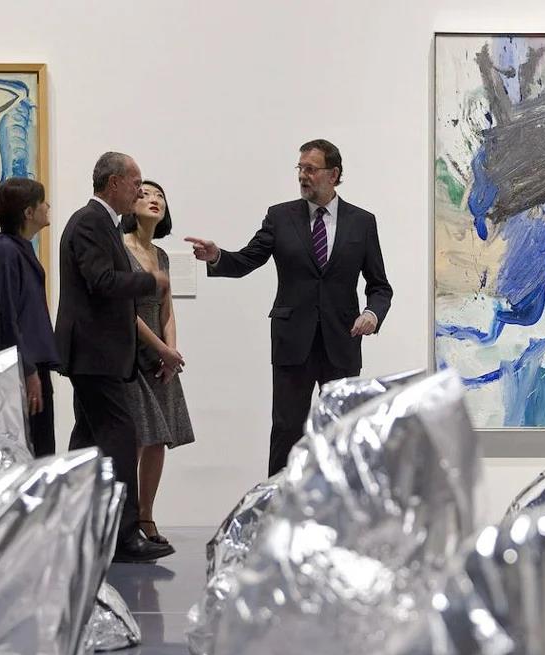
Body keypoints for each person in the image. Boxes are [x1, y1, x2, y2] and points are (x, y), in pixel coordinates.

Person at [186, 138, 393, 476]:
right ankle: (278, 502)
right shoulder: (280, 217)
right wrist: (217, 256)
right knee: (286, 429)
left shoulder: (362, 222)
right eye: (300, 168)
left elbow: (380, 286)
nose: (302, 176)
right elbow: (247, 260)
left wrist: (372, 313)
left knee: (340, 432)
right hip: (292, 340)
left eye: (310, 169)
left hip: (342, 340)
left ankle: (337, 505)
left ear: (333, 174)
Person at [55, 152, 173, 563]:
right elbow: (102, 282)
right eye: (135, 182)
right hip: (95, 354)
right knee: (121, 439)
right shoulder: (90, 222)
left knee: (87, 443)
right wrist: (149, 280)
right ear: (113, 183)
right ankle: (124, 535)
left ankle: (76, 527)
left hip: (99, 354)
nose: (140, 191)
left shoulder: (100, 223)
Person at [120, 180, 194, 547]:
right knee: (136, 436)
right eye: (145, 194)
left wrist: (171, 353)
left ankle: (146, 516)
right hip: (132, 350)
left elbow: (167, 309)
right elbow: (125, 311)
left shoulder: (161, 255)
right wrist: (161, 349)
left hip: (161, 356)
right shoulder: (121, 247)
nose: (153, 199)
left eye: (160, 195)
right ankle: (126, 521)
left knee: (158, 439)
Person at [0, 177, 59, 456]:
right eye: (42, 202)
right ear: (28, 212)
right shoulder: (6, 252)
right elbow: (7, 316)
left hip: (31, 366)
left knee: (43, 449)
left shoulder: (19, 248)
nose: (48, 206)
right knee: (33, 452)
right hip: (21, 369)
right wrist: (28, 370)